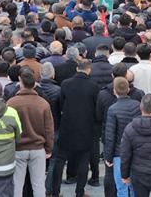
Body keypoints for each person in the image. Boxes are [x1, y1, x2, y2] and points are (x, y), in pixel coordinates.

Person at [54, 59, 99, 197]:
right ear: (89, 70)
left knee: (60, 159)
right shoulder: (93, 86)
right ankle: (80, 192)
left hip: (67, 126)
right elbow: (96, 109)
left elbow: (61, 104)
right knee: (84, 160)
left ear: (77, 68)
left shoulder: (65, 83)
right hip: (86, 127)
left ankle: (55, 191)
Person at [7, 68, 54, 197]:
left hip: (18, 148)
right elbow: (49, 128)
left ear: (20, 83)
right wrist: (49, 148)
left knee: (17, 184)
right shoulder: (43, 103)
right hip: (38, 148)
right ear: (34, 84)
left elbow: (8, 127)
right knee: (38, 185)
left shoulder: (11, 103)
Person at [104, 77, 141, 197]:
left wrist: (108, 157)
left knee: (121, 188)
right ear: (128, 89)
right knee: (135, 187)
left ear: (114, 91)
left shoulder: (112, 109)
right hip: (136, 151)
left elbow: (110, 136)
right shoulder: (137, 105)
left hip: (119, 153)